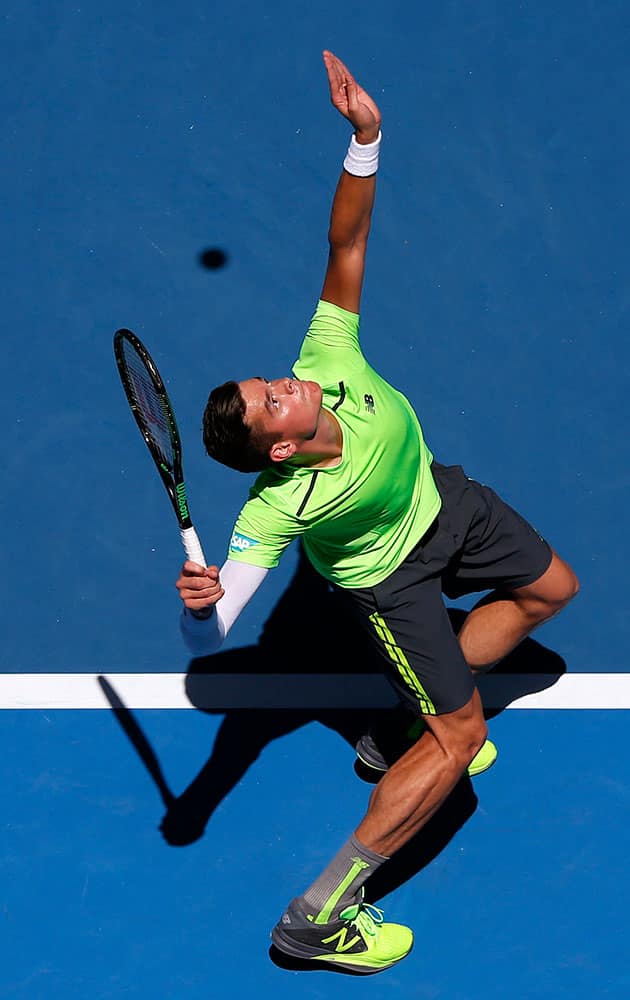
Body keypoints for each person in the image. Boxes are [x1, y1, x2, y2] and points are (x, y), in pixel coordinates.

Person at [176, 50, 578, 974]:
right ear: (279, 448)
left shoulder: (328, 359)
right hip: (392, 582)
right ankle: (318, 914)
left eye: (270, 380)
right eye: (274, 398)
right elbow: (225, 610)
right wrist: (202, 609)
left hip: (449, 503)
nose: (286, 381)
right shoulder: (278, 505)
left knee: (550, 592)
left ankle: (395, 729)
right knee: (462, 736)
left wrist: (367, 140)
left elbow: (344, 247)